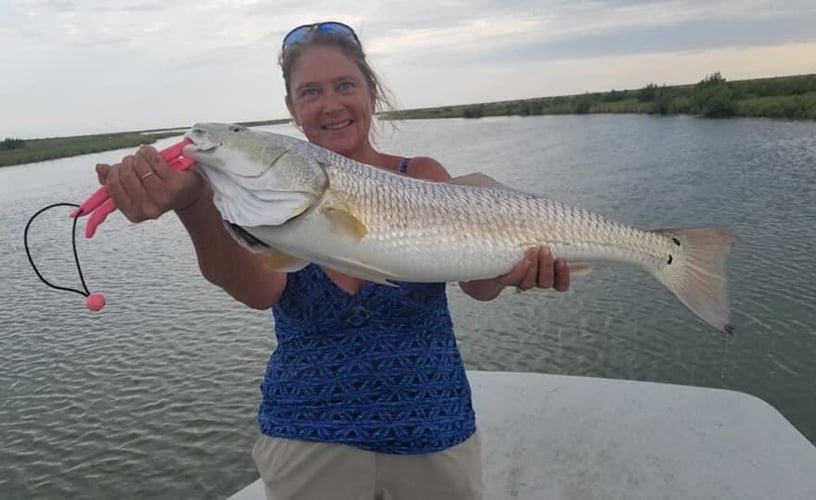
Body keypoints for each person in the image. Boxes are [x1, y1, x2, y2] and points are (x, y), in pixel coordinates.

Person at [97, 21, 570, 500]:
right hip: (308, 437)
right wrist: (194, 204)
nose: (331, 104)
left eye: (345, 85)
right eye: (310, 92)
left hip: (432, 425)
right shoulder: (251, 201)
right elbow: (259, 291)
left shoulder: (422, 175)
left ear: (370, 92)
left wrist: (516, 272)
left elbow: (477, 283)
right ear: (291, 109)